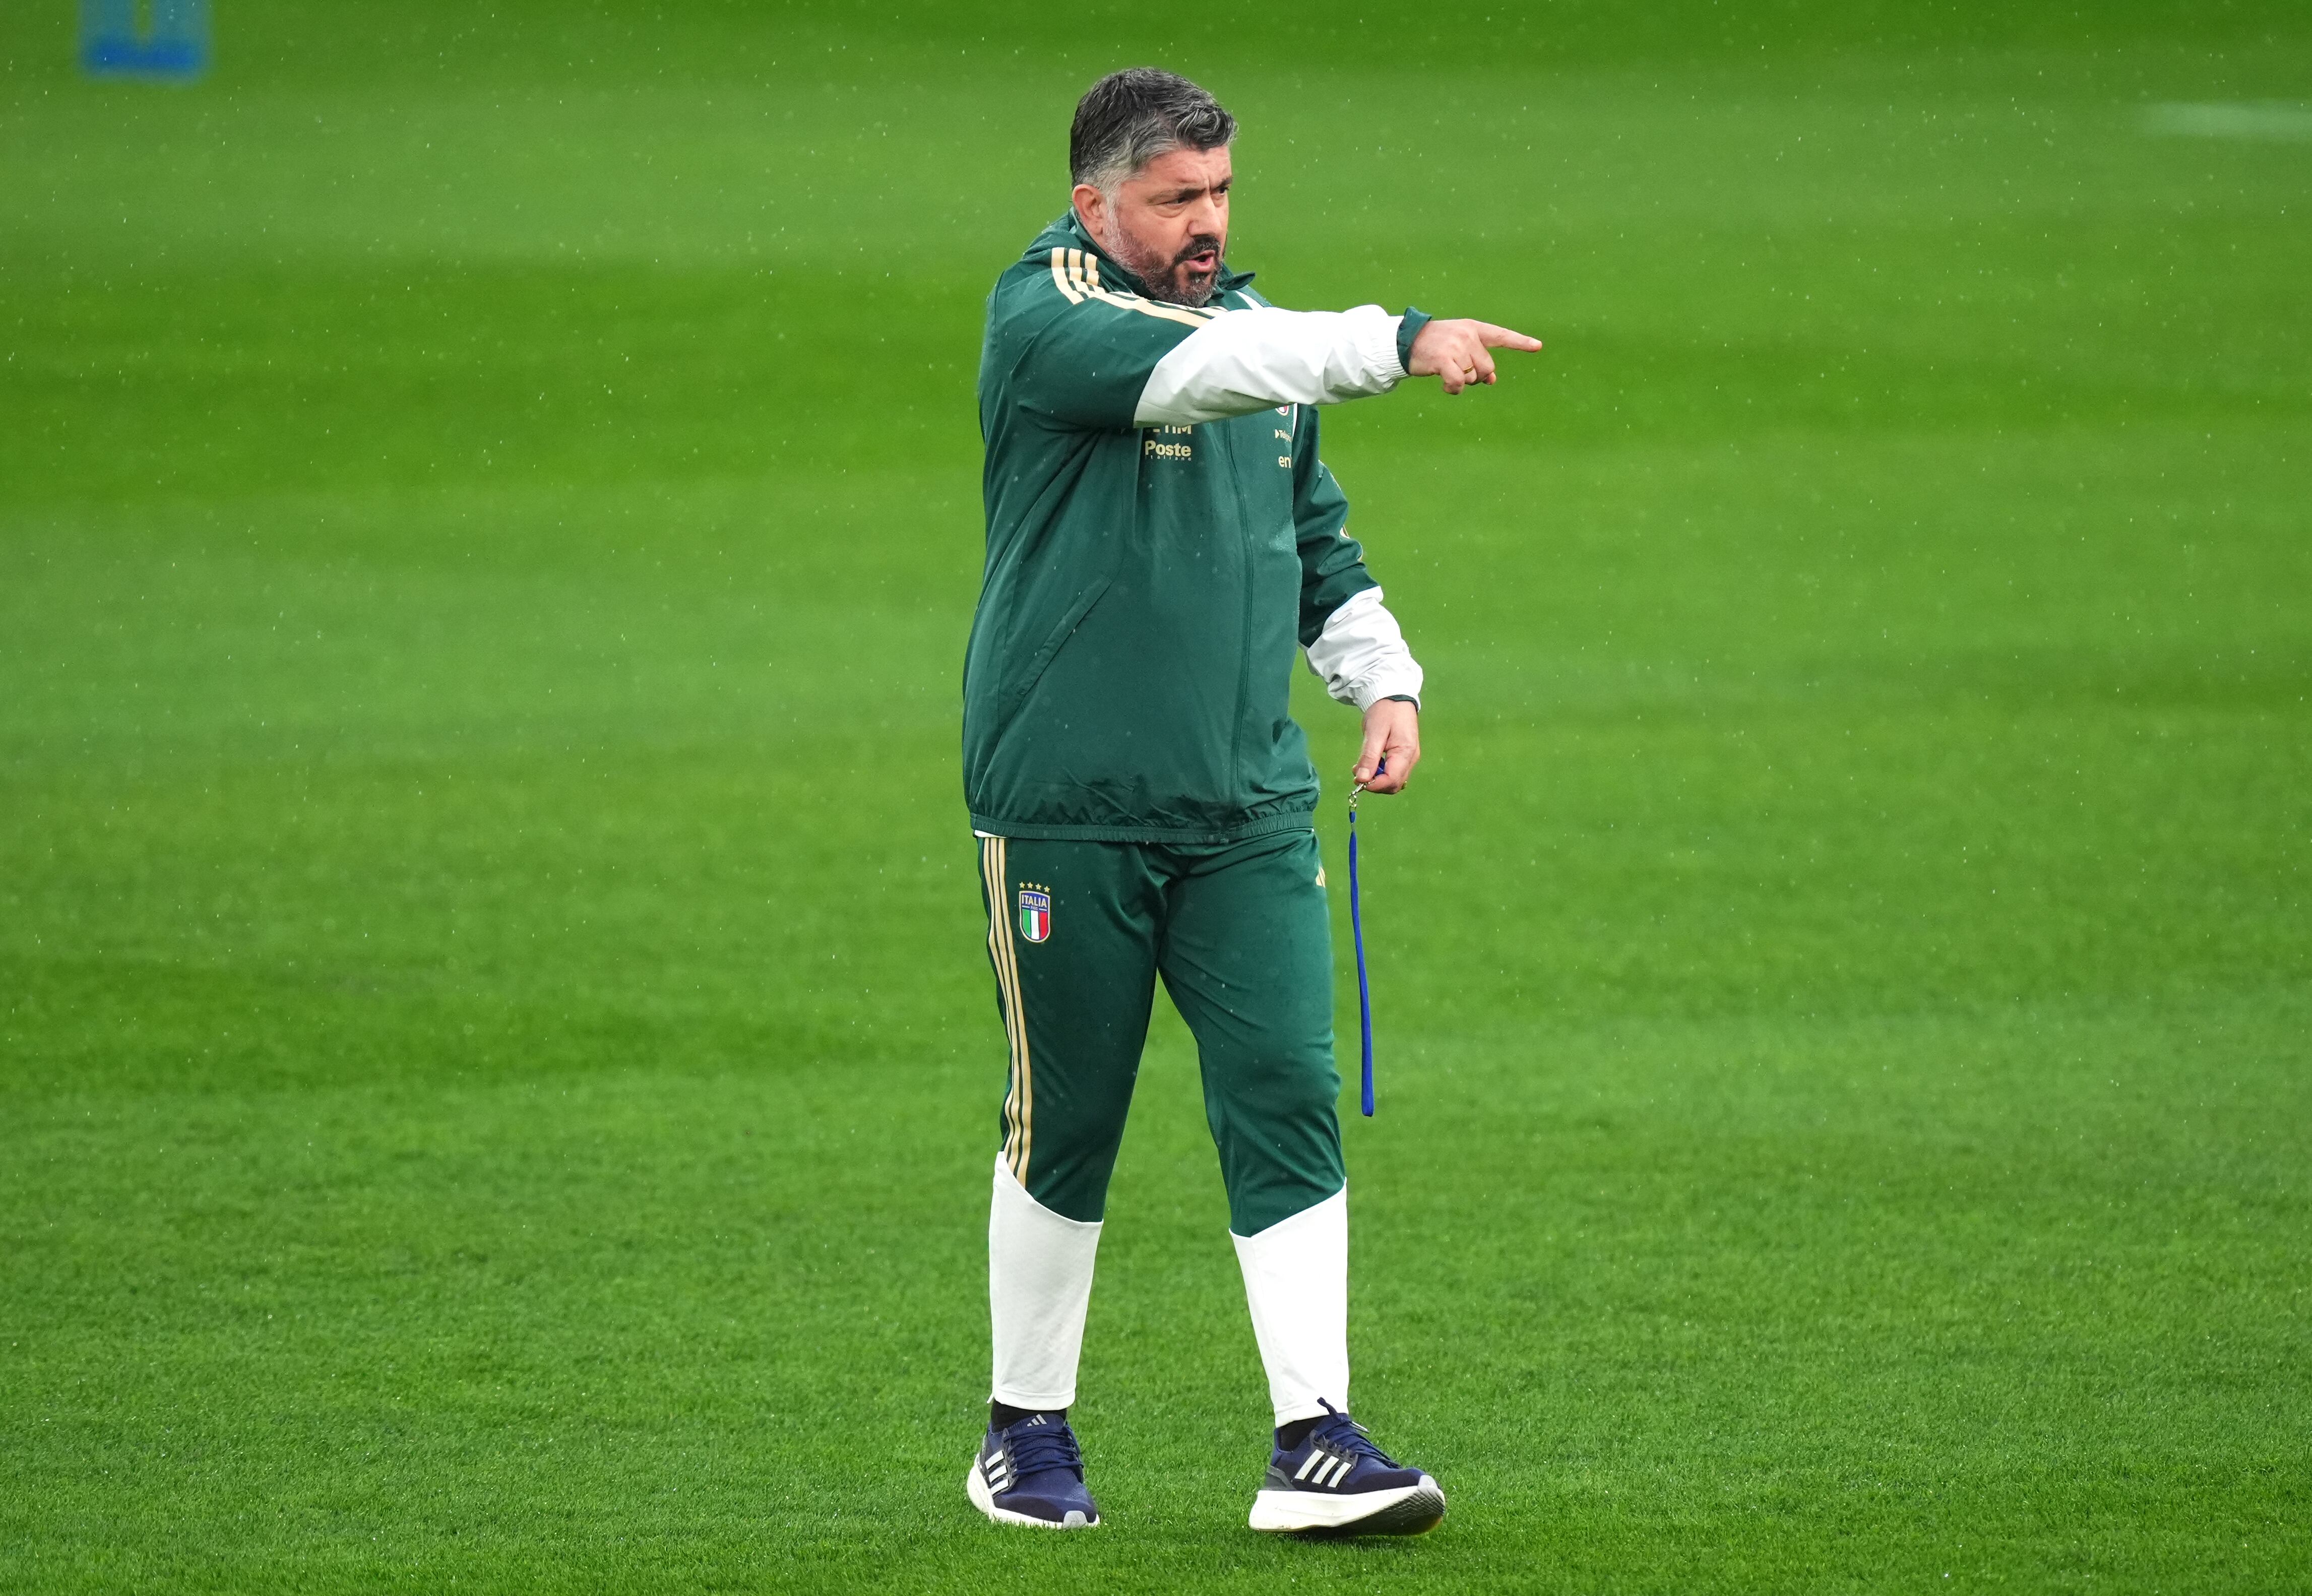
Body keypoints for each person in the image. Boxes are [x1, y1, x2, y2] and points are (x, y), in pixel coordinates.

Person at [962, 67, 1540, 1536]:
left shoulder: (1255, 344)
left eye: (1219, 191)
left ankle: (1315, 1441)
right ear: (1094, 203)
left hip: (1244, 806)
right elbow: (1207, 372)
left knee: (1285, 1097)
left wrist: (1381, 678)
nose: (1206, 221)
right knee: (1069, 1119)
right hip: (1068, 803)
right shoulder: (1049, 323)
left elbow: (1310, 537)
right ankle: (1022, 1433)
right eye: (1174, 200)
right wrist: (1396, 339)